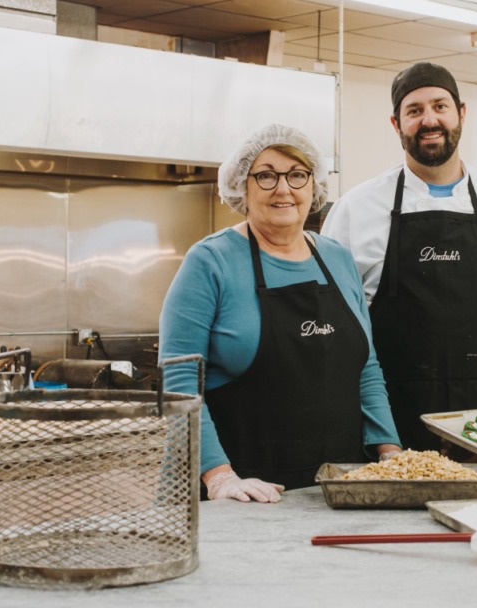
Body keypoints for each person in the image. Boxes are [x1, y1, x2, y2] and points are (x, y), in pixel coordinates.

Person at [159, 124, 402, 503]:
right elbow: (179, 382)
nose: (284, 188)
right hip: (242, 491)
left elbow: (365, 368)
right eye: (267, 175)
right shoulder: (210, 261)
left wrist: (389, 452)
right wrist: (220, 477)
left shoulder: (337, 259)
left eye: (297, 175)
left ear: (313, 186)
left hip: (336, 489)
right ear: (244, 185)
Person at [321, 62, 477, 452]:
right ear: (396, 124)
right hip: (388, 424)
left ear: (461, 113)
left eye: (440, 106)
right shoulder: (354, 209)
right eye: (414, 111)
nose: (429, 120)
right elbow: (334, 328)